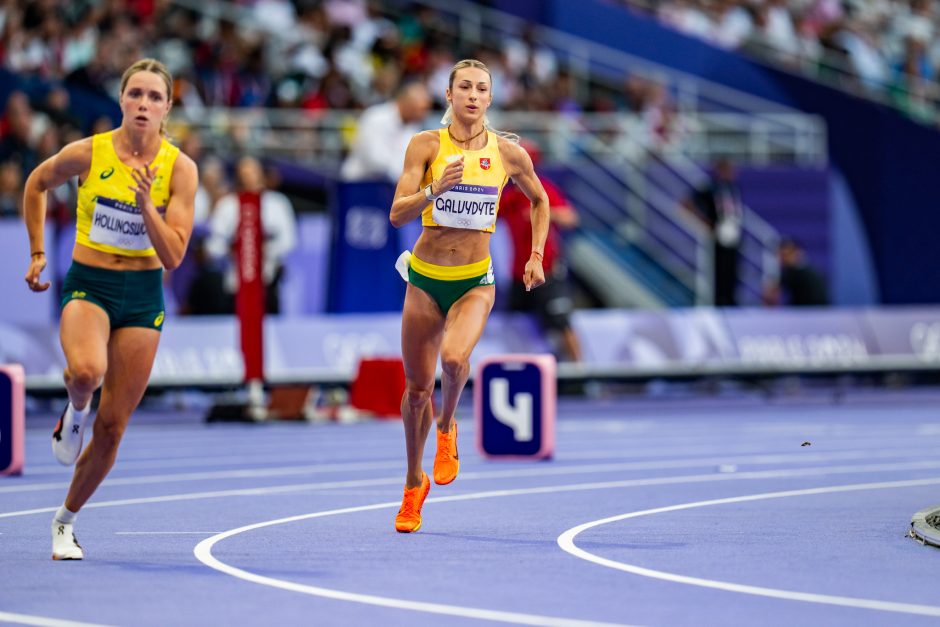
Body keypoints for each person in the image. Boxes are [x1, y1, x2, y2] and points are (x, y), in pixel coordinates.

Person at [22, 58, 198, 560]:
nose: (144, 104)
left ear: (167, 108)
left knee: (115, 425)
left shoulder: (179, 169)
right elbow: (36, 183)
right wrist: (37, 252)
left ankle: (65, 521)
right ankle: (74, 410)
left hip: (143, 297)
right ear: (122, 100)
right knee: (85, 371)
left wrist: (147, 206)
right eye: (135, 94)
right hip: (91, 285)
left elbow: (174, 256)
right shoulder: (91, 151)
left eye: (155, 97)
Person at [388, 59, 550, 533]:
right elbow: (397, 213)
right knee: (416, 391)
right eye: (465, 87)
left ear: (491, 98)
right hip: (424, 279)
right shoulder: (425, 145)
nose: (473, 95)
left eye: (482, 88)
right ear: (449, 95)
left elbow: (540, 201)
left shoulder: (507, 153)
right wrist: (436, 189)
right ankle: (413, 484)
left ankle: (448, 426)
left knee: (455, 361)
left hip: (474, 281)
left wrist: (536, 255)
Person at [500, 142, 582, 362]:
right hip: (519, 274)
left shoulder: (543, 191)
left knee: (561, 323)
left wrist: (543, 212)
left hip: (547, 271)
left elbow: (571, 218)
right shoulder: (509, 198)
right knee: (514, 325)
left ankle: (580, 374)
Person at [205, 156, 298, 314]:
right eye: (243, 174)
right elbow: (213, 246)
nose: (248, 178)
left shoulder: (277, 204)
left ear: (261, 175)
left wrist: (262, 249)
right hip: (235, 284)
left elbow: (289, 241)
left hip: (267, 281)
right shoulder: (228, 206)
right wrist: (232, 250)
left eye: (252, 173)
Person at [341, 81, 432, 182]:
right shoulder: (376, 117)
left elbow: (411, 160)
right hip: (359, 183)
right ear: (406, 103)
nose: (424, 115)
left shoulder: (413, 127)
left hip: (388, 186)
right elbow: (374, 160)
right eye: (420, 109)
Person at [690, 157, 744, 306]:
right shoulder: (710, 187)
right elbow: (689, 203)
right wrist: (705, 222)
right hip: (718, 234)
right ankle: (719, 301)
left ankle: (730, 300)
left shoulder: (733, 187)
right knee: (719, 271)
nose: (732, 173)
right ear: (719, 170)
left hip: (733, 234)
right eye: (728, 169)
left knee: (732, 272)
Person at [764, 237, 829, 306]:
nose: (783, 259)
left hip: (812, 311)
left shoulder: (805, 273)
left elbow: (771, 296)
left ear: (798, 253)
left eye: (786, 255)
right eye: (781, 255)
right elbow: (770, 297)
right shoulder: (790, 271)